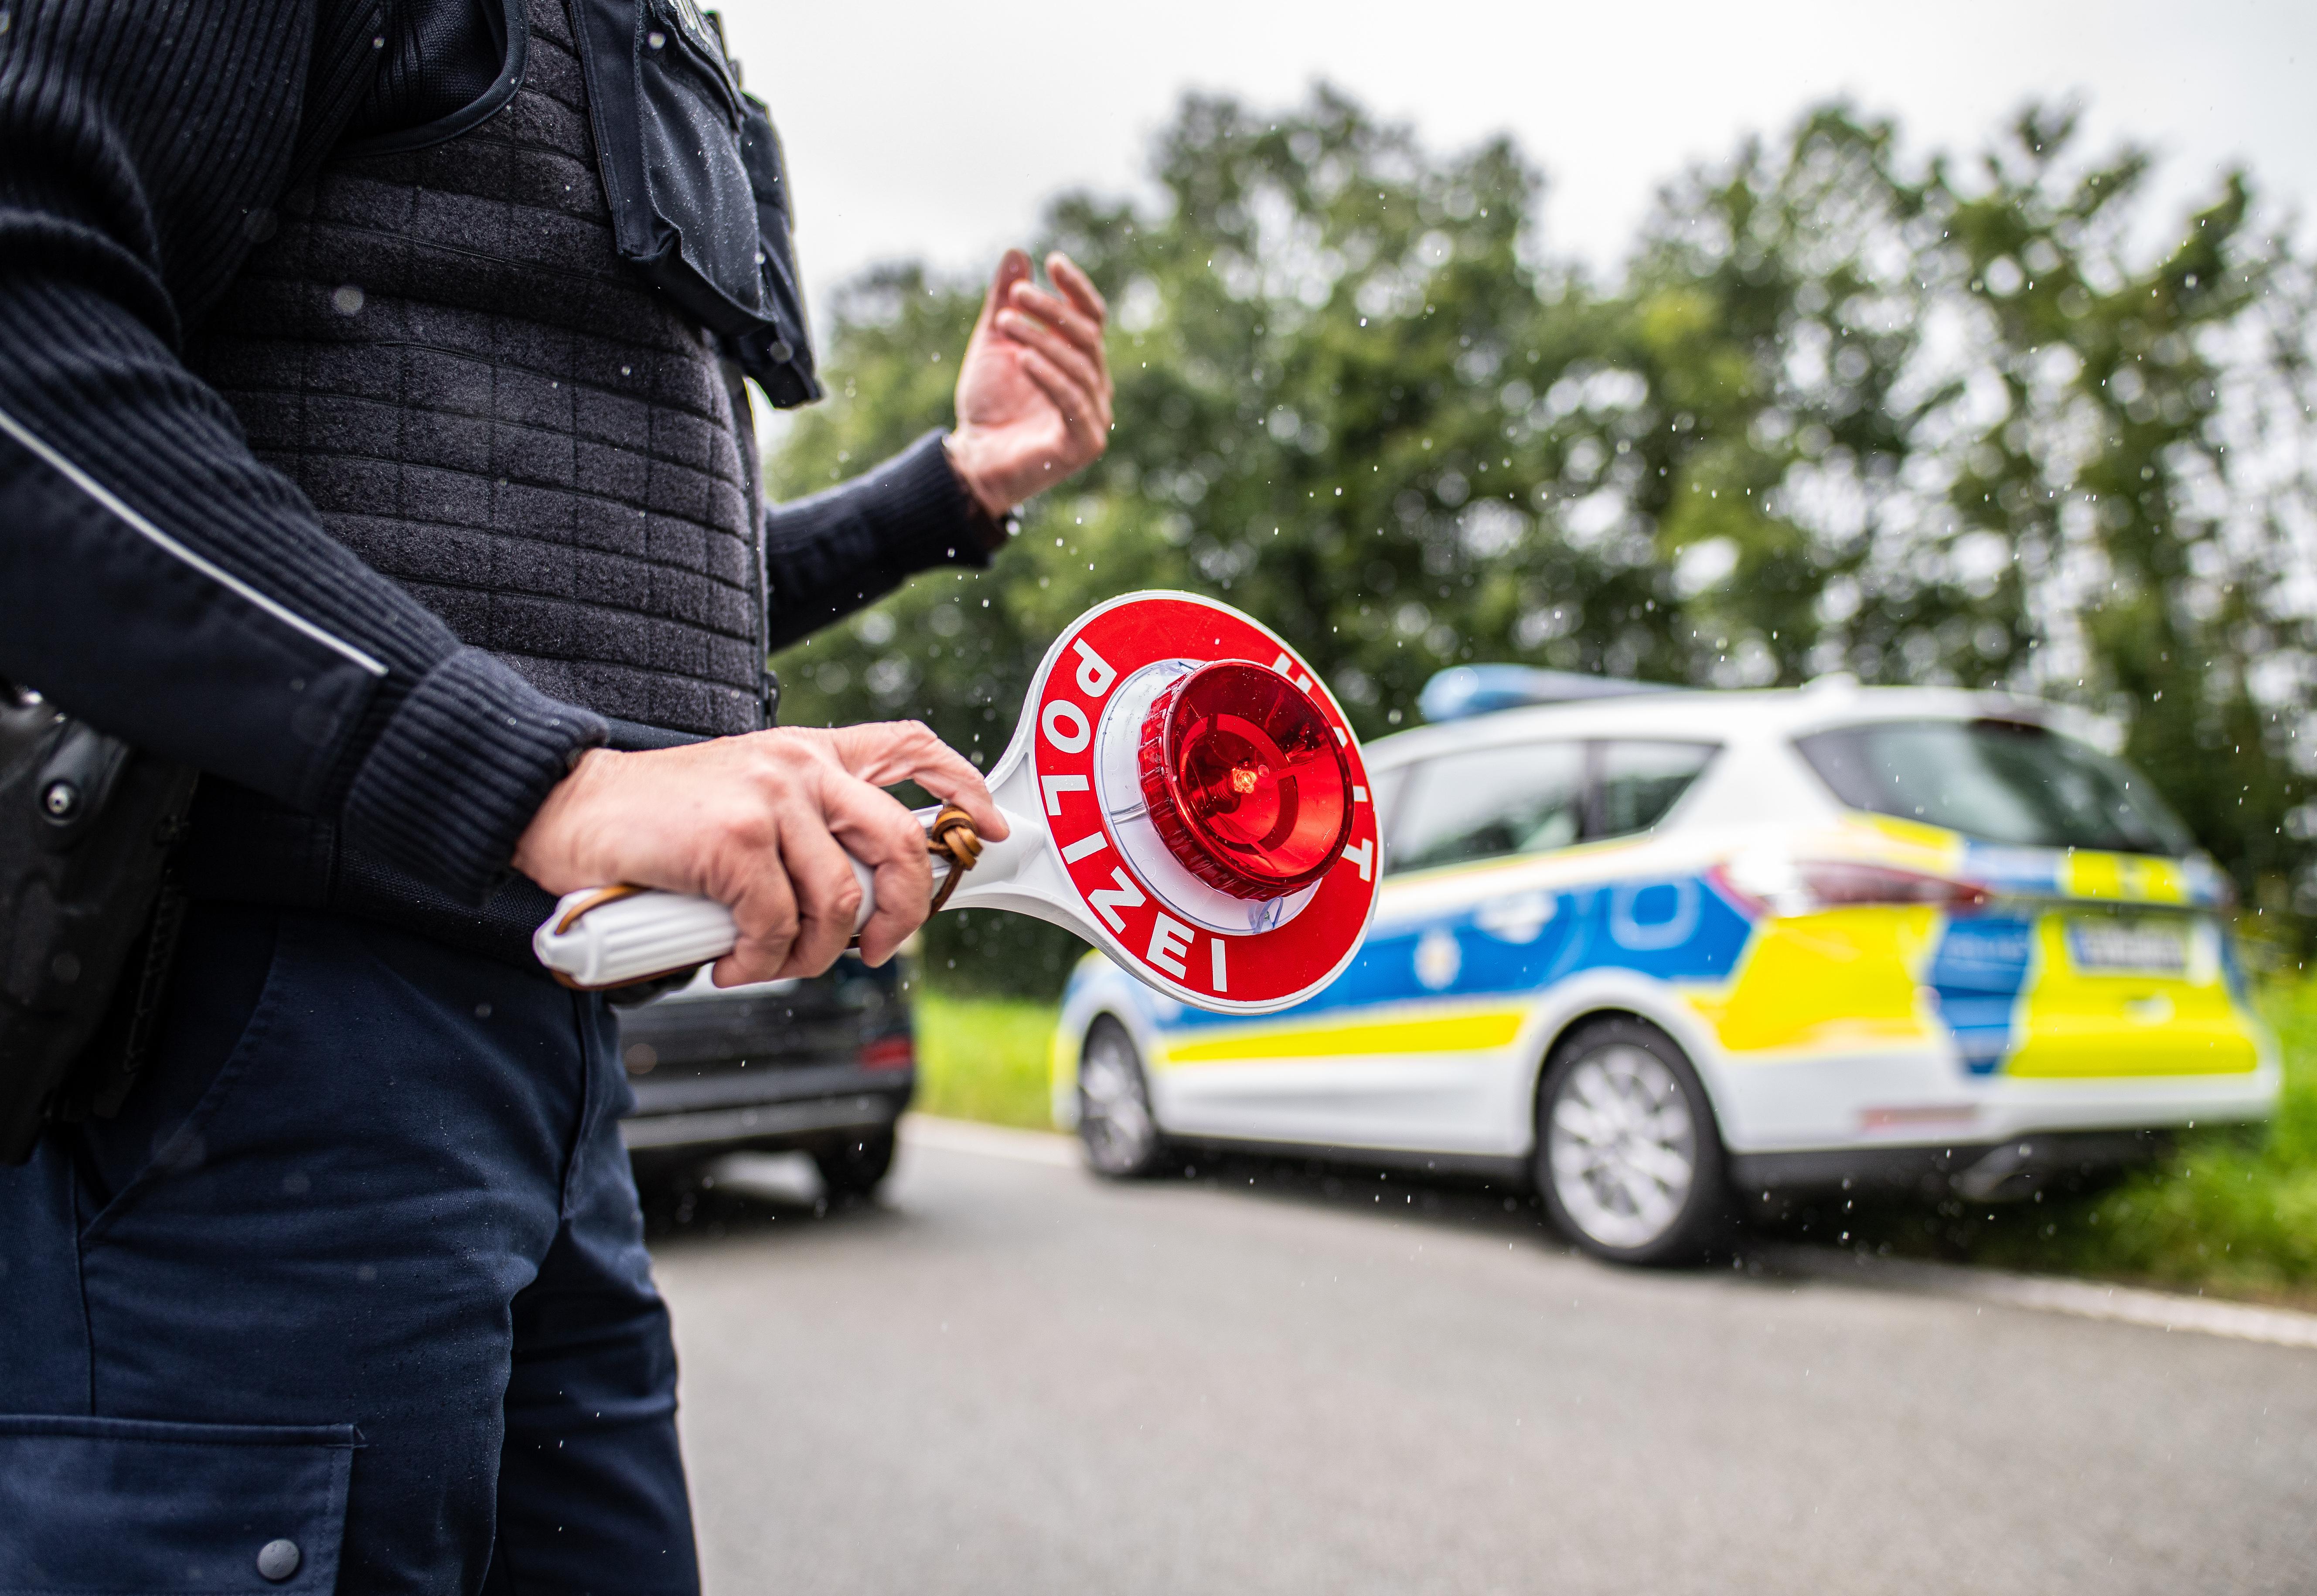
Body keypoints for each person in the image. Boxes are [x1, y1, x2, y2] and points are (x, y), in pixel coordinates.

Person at [0, 0, 1112, 1589]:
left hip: (546, 1063)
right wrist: (545, 780)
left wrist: (948, 491)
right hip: (256, 1052)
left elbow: (573, 591)